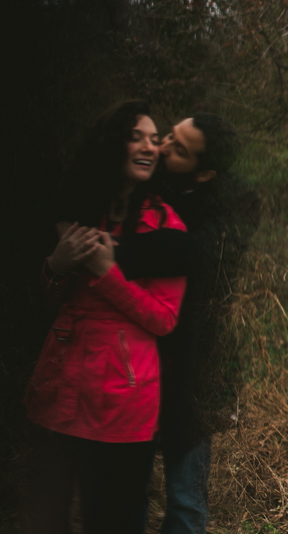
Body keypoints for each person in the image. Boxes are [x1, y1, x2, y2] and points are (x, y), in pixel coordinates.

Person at [23, 101, 187, 533]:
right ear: (113, 144)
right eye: (138, 136)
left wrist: (107, 276)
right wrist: (54, 266)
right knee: (45, 515)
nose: (149, 146)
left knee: (111, 517)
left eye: (156, 139)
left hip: (123, 397)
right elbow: (47, 298)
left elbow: (164, 318)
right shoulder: (77, 209)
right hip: (60, 382)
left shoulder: (164, 225)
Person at [108, 112, 261, 534]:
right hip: (128, 354)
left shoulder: (235, 201)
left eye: (177, 149)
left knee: (185, 498)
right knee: (123, 494)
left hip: (195, 359)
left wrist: (112, 251)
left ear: (206, 170)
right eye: (167, 136)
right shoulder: (137, 183)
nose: (161, 149)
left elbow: (197, 254)